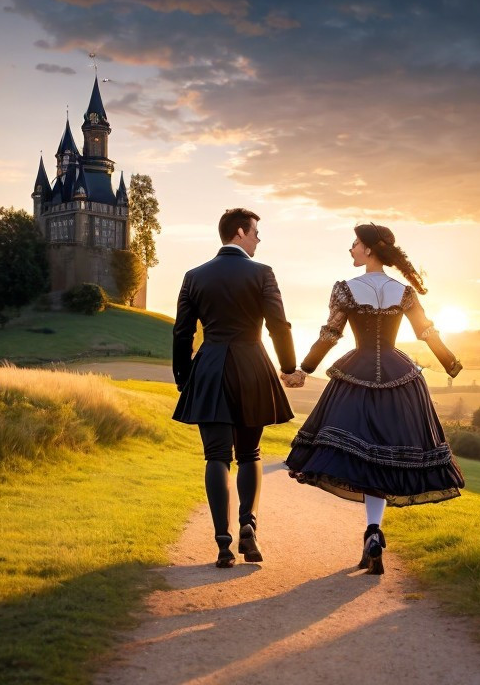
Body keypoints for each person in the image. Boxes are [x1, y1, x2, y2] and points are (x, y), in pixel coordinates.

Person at [284, 223, 465, 575]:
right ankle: (374, 533)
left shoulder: (346, 290)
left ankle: (372, 534)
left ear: (368, 249)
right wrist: (450, 362)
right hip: (402, 379)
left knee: (363, 459)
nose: (350, 249)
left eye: (354, 244)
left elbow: (330, 333)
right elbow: (426, 331)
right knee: (382, 461)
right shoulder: (403, 291)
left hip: (357, 377)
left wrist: (304, 370)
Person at [173, 208, 304, 568]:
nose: (259, 239)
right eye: (256, 232)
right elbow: (279, 325)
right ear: (241, 233)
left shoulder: (194, 276)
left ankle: (222, 543)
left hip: (210, 368)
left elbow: (183, 332)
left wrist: (184, 377)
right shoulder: (262, 273)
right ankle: (249, 524)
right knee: (250, 454)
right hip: (252, 367)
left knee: (216, 456)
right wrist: (288, 367)